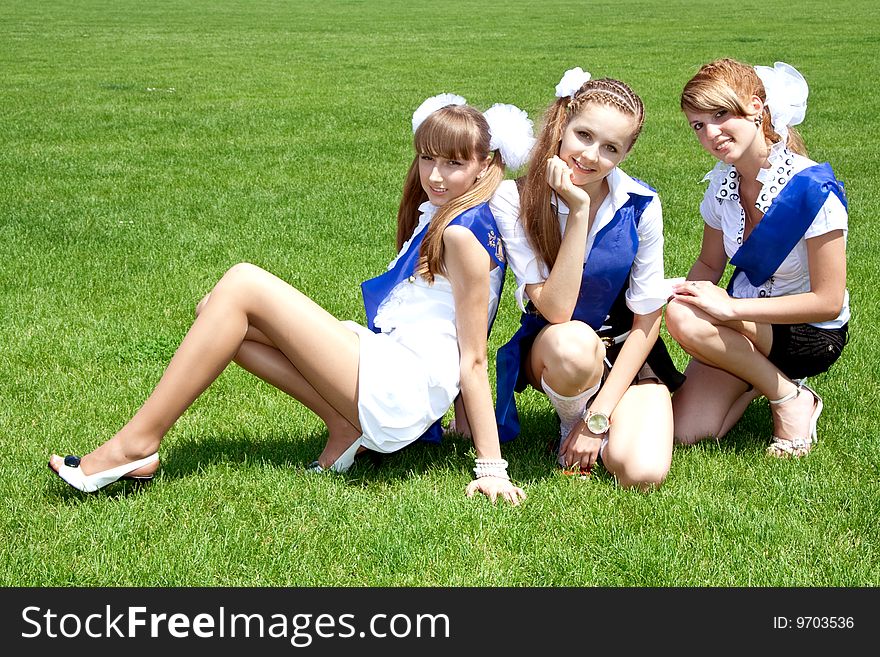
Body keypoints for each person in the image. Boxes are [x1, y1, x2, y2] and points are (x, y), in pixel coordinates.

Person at [49, 93, 533, 504]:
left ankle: (137, 443)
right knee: (216, 318)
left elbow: (471, 356)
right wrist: (461, 423)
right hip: (391, 364)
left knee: (242, 283)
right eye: (427, 158)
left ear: (486, 165)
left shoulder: (464, 235)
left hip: (402, 387)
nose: (436, 175)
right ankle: (344, 426)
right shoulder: (447, 216)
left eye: (454, 162)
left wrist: (491, 467)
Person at [492, 67, 684, 490]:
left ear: (625, 154)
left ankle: (599, 423)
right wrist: (578, 212)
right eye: (584, 135)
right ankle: (569, 426)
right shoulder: (514, 198)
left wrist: (600, 419)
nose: (592, 156)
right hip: (559, 348)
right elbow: (557, 310)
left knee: (642, 473)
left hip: (625, 352)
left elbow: (647, 322)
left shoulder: (642, 204)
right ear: (563, 126)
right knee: (575, 342)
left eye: (611, 147)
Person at [666, 58, 849, 457]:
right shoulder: (721, 186)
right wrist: (667, 291)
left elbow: (828, 301)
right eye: (698, 125)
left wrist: (728, 310)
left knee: (684, 317)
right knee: (686, 432)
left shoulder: (813, 189)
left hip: (810, 332)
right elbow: (710, 266)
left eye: (720, 114)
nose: (711, 133)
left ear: (755, 106)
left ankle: (790, 398)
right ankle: (760, 377)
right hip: (747, 324)